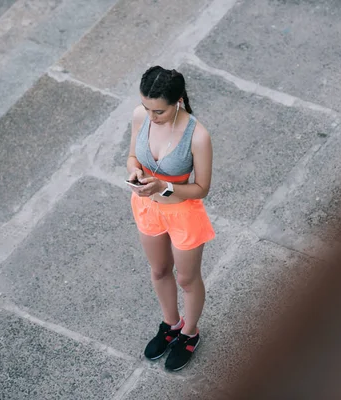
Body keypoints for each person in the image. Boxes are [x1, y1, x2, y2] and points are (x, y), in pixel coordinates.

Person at [126, 65, 215, 371]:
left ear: (177, 101)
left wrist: (164, 185)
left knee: (187, 278)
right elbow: (132, 157)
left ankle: (190, 333)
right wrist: (135, 172)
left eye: (159, 111)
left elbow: (201, 188)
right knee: (160, 270)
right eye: (147, 107)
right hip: (147, 208)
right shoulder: (141, 116)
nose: (151, 117)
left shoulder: (198, 135)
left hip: (182, 213)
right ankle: (171, 324)